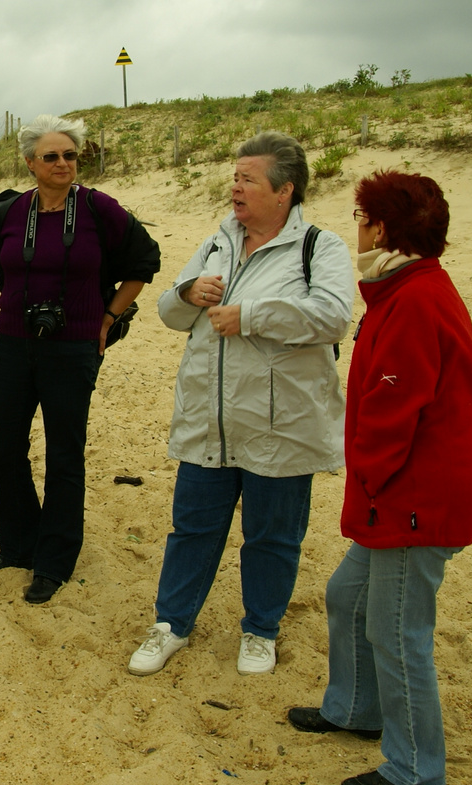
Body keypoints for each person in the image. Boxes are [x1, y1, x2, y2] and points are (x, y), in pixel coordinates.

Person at [287, 171, 472, 785]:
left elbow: (393, 410)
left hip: (414, 500)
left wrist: (369, 482)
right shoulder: (405, 287)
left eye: (361, 217)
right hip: (401, 494)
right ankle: (355, 709)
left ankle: (414, 766)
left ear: (380, 227)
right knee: (349, 596)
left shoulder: (416, 298)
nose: (357, 229)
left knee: (398, 631)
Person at [129, 131, 354, 678]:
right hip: (211, 419)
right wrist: (187, 295)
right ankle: (172, 624)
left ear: (285, 191)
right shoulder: (217, 241)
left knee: (273, 535)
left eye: (247, 179)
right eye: (234, 177)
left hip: (281, 425)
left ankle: (260, 631)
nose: (234, 187)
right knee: (192, 528)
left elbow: (332, 316)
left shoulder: (319, 247)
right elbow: (166, 312)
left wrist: (249, 315)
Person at [0, 116, 160, 603]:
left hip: (74, 347)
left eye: (70, 156)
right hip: (15, 345)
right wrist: (22, 304)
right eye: (51, 156)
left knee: (63, 455)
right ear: (29, 163)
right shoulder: (11, 211)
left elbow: (145, 262)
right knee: (5, 448)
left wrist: (106, 317)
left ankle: (54, 561)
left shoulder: (100, 209)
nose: (63, 164)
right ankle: (18, 545)